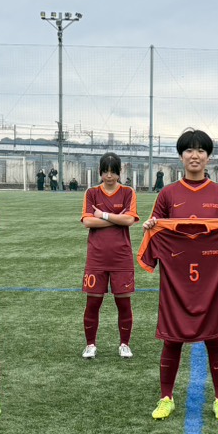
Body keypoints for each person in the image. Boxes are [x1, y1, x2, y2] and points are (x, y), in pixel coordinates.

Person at [138, 129, 218, 422]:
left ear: (208, 157)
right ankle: (166, 398)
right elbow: (154, 228)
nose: (194, 156)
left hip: (211, 286)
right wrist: (151, 228)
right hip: (176, 285)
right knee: (171, 341)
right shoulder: (167, 194)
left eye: (200, 150)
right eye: (189, 150)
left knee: (215, 340)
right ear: (181, 156)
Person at [81, 152, 138, 359]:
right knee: (93, 303)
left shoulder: (128, 192)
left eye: (113, 172)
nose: (109, 176)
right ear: (100, 172)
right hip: (96, 257)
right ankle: (90, 345)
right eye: (105, 171)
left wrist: (103, 215)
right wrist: (116, 218)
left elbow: (129, 220)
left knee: (123, 303)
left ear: (119, 172)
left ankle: (124, 344)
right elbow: (88, 222)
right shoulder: (91, 193)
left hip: (121, 257)